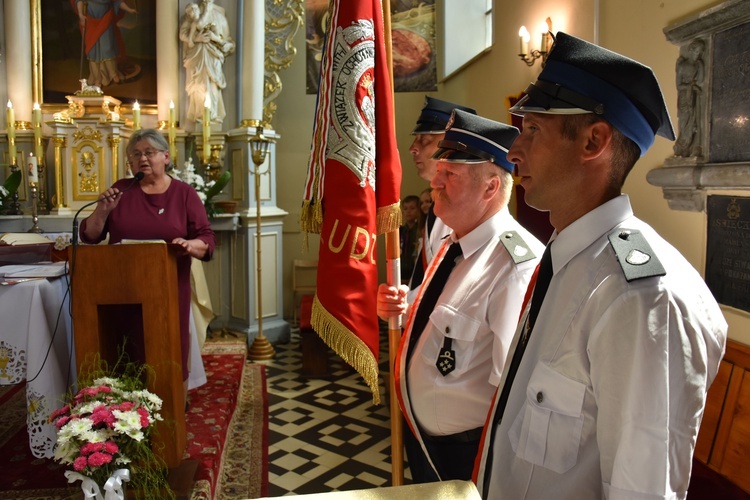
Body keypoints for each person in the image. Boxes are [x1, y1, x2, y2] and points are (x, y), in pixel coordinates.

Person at [473, 32, 727, 499]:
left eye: (532, 130)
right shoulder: (567, 259)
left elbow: (642, 490)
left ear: (593, 141)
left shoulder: (641, 300)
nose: (513, 151)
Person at [378, 110, 543, 483]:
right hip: (426, 442)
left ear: (489, 187)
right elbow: (435, 316)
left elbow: (515, 393)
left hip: (465, 459)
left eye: (449, 174)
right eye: (439, 171)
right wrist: (402, 305)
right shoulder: (457, 242)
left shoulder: (514, 266)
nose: (434, 182)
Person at [80, 128, 216, 399]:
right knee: (125, 345)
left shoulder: (184, 193)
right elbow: (90, 236)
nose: (142, 158)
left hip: (168, 289)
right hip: (121, 288)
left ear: (166, 157)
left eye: (149, 152)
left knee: (167, 345)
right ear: (130, 163)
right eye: (136, 154)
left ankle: (172, 400)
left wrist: (190, 246)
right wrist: (102, 210)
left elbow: (207, 238)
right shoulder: (121, 190)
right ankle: (124, 404)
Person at [408, 97, 476, 290]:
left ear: (450, 145)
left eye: (424, 139)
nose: (412, 148)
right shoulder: (437, 208)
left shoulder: (466, 212)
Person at [179, 0, 235, 124]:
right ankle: (201, 114)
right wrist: (195, 38)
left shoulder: (219, 16)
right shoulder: (192, 14)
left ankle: (212, 115)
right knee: (199, 86)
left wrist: (219, 41)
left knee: (212, 87)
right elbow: (183, 34)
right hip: (197, 58)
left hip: (213, 58)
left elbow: (229, 43)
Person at [74, 0, 137, 88]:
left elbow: (117, 2)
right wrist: (81, 15)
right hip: (91, 22)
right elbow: (79, 1)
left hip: (106, 20)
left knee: (108, 47)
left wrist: (129, 9)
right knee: (93, 50)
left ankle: (112, 74)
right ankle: (97, 79)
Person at [399, 195, 421, 283]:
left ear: (419, 210)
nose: (408, 211)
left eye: (412, 208)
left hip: (415, 272)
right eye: (405, 208)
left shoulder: (420, 231)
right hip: (401, 270)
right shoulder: (400, 231)